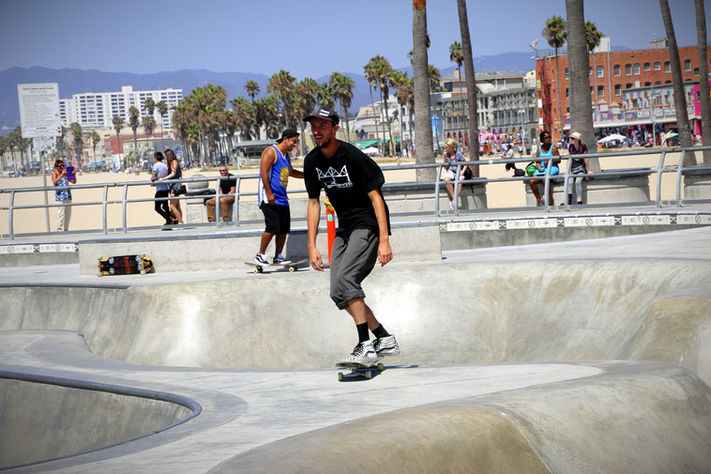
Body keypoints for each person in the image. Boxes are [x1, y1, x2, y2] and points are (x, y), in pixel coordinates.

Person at [303, 105, 399, 366]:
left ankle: (364, 345)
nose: (317, 130)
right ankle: (383, 337)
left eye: (322, 126)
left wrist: (385, 239)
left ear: (335, 128)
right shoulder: (312, 161)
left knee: (347, 279)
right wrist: (311, 245)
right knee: (338, 292)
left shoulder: (353, 157)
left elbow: (376, 198)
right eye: (314, 126)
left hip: (366, 225)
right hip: (344, 229)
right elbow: (314, 203)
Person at [254, 128, 304, 266]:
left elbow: (291, 172)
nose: (295, 145)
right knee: (272, 227)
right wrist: (269, 194)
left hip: (282, 198)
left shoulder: (285, 156)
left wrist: (307, 176)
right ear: (285, 139)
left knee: (283, 229)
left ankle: (278, 256)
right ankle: (260, 255)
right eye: (294, 141)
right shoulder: (271, 152)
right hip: (269, 197)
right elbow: (263, 173)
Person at [529, 130, 561, 206]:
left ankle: (550, 199)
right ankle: (539, 199)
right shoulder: (539, 149)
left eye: (550, 137)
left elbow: (558, 160)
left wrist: (550, 160)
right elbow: (537, 161)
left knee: (544, 179)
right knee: (532, 181)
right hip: (542, 168)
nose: (549, 139)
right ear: (542, 139)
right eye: (547, 137)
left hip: (552, 167)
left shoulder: (553, 148)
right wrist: (539, 167)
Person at [442, 138, 469, 210]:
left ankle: (454, 201)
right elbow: (445, 167)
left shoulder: (458, 154)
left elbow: (465, 163)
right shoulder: (446, 155)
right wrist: (445, 158)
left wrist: (462, 171)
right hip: (450, 171)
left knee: (460, 181)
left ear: (451, 147)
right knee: (446, 180)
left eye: (447, 147)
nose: (445, 148)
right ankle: (455, 199)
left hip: (458, 171)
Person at [566, 131, 591, 205]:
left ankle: (579, 200)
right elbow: (569, 158)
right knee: (569, 182)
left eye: (573, 138)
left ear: (577, 139)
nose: (571, 140)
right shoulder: (570, 147)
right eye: (571, 138)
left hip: (580, 168)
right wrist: (567, 170)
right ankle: (569, 201)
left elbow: (585, 159)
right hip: (572, 168)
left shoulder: (583, 147)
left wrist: (589, 170)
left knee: (577, 182)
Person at [160, 148, 183, 224]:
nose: (164, 157)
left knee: (172, 206)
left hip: (175, 186)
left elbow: (173, 173)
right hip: (172, 186)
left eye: (165, 155)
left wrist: (163, 178)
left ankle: (180, 222)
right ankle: (180, 221)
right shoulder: (171, 162)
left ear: (168, 155)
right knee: (177, 206)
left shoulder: (174, 162)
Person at [51, 159, 76, 231]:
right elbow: (54, 182)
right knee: (61, 213)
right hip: (60, 197)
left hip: (67, 195)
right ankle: (60, 229)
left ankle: (66, 229)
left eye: (63, 165)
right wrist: (61, 175)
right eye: (60, 166)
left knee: (68, 214)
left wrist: (74, 174)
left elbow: (73, 181)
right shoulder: (54, 174)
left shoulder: (66, 173)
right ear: (56, 166)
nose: (62, 167)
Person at [150, 151, 173, 229]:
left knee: (157, 207)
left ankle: (169, 219)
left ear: (155, 158)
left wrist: (152, 180)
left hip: (160, 189)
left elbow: (153, 176)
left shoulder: (156, 165)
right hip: (166, 188)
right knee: (165, 207)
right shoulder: (164, 165)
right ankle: (169, 221)